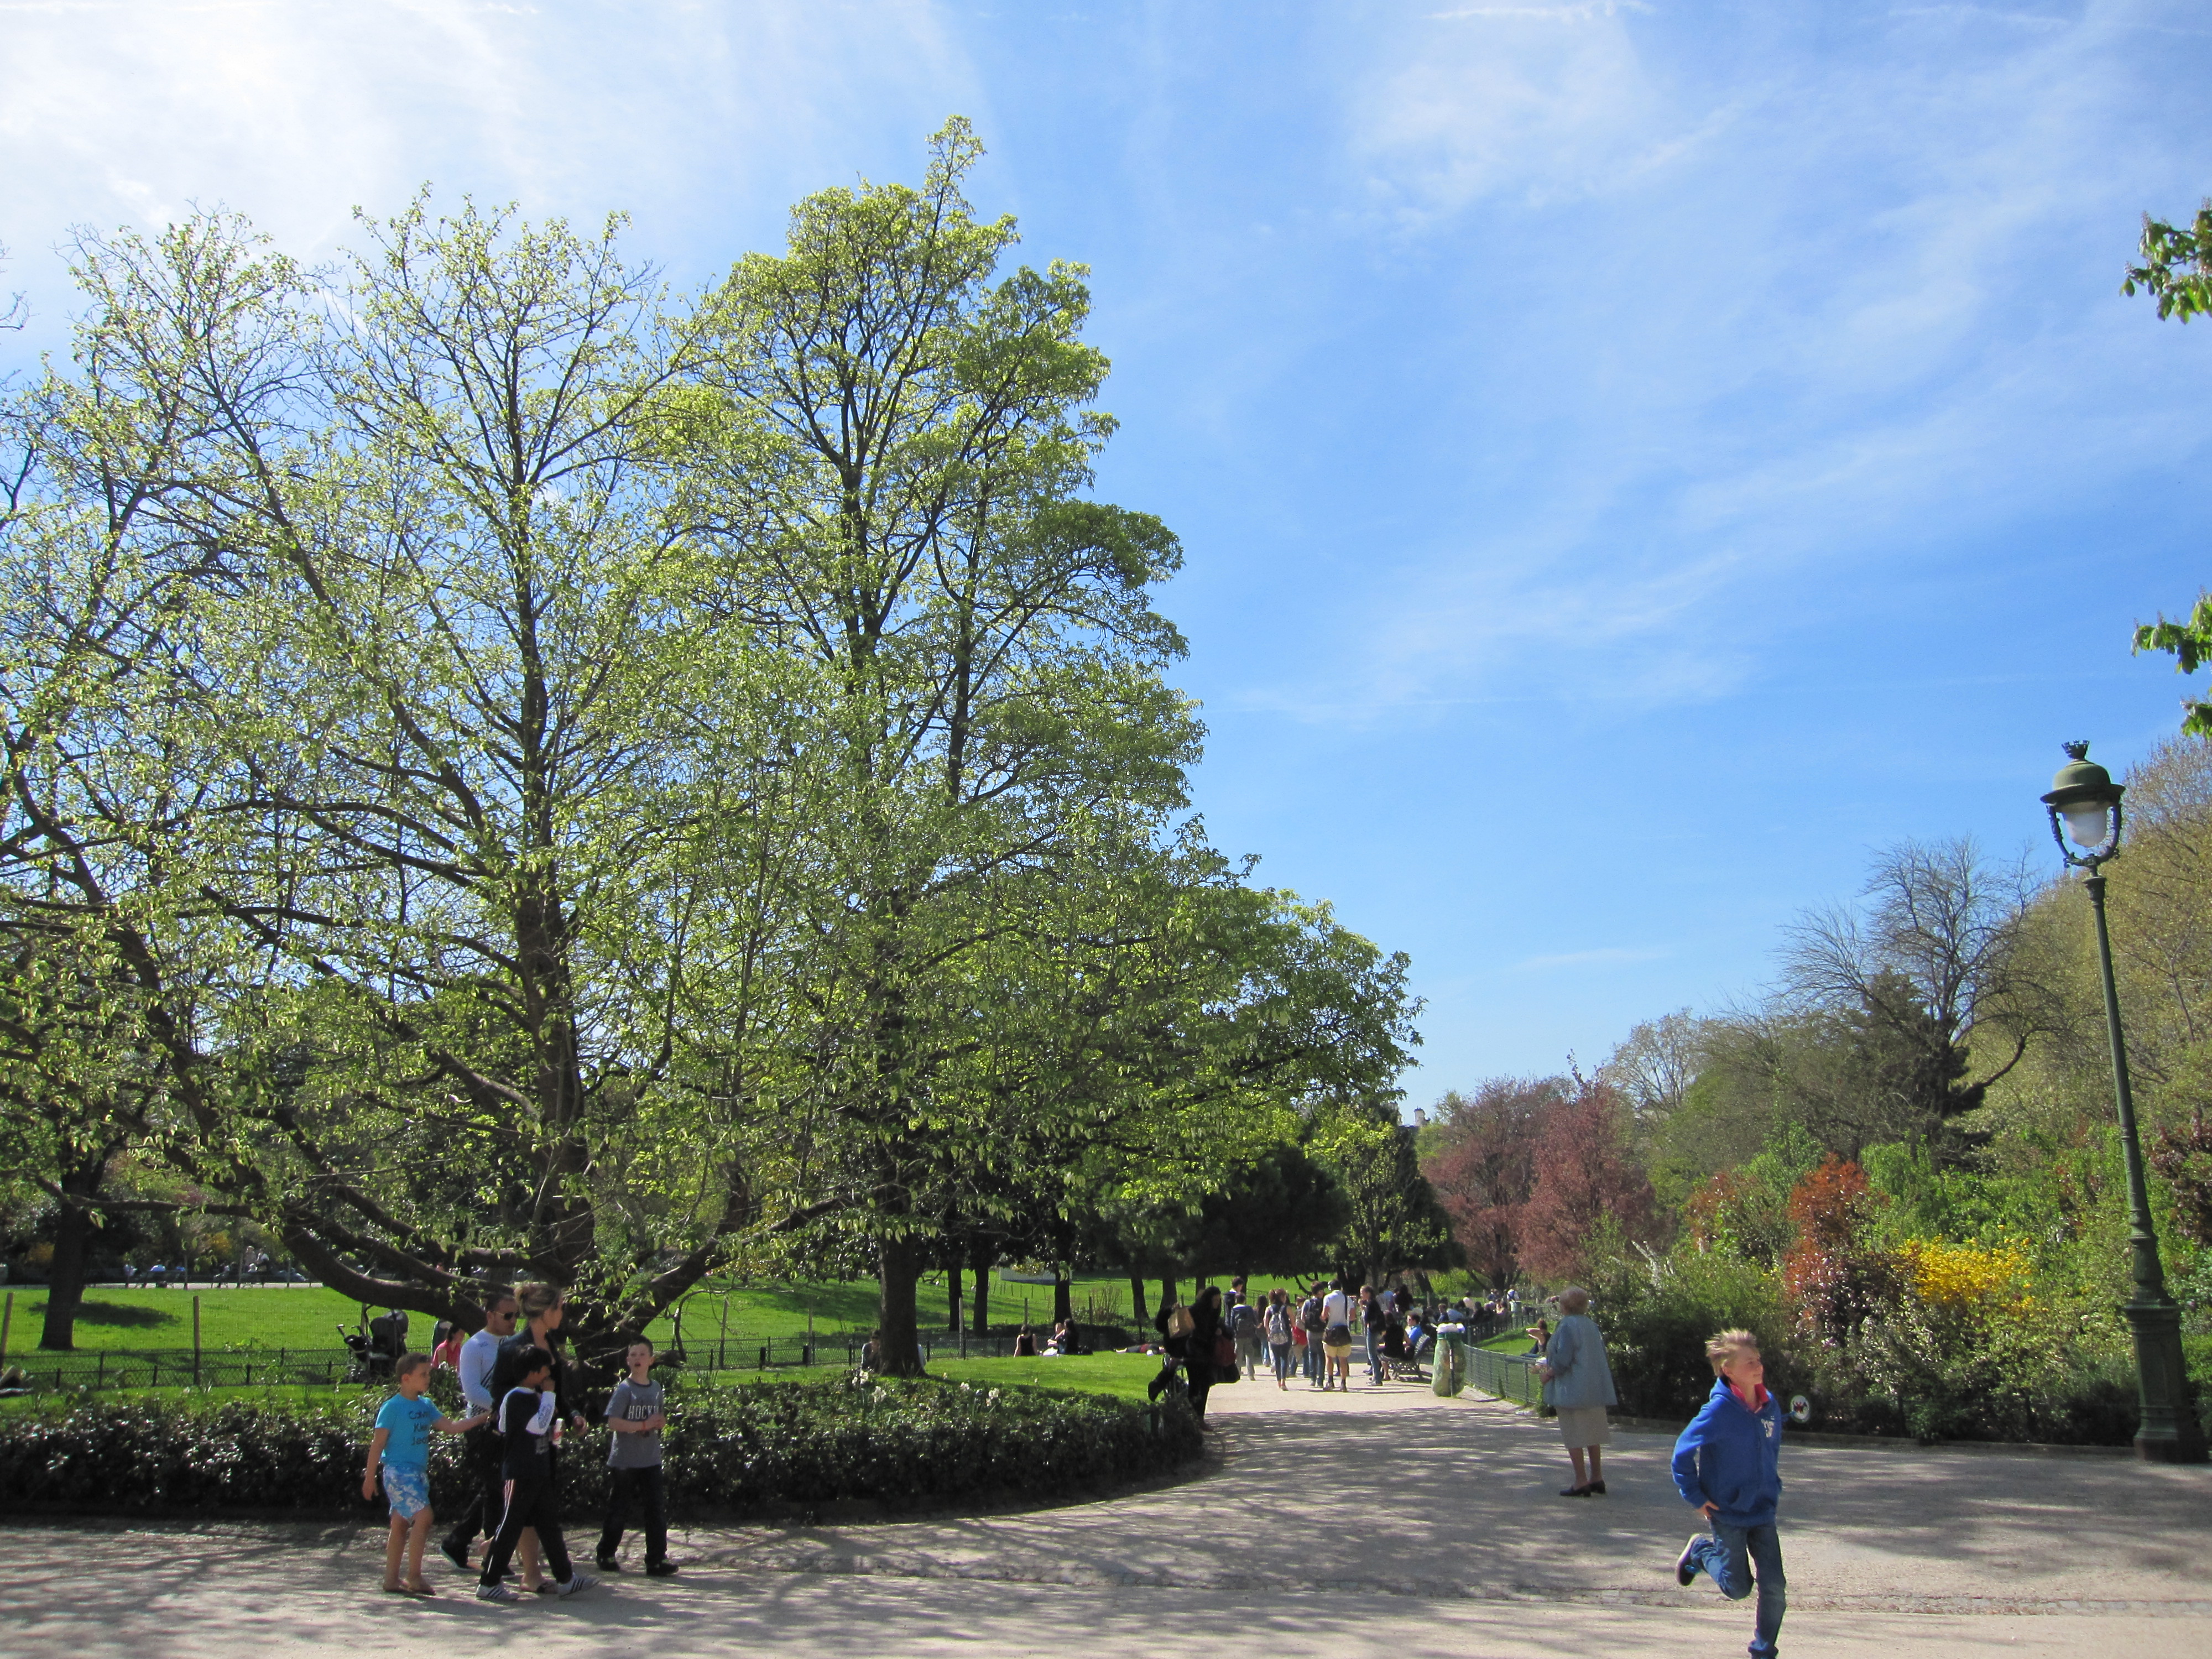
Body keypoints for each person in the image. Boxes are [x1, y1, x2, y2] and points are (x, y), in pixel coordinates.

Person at [1671, 1329, 1786, 1659]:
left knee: (1774, 1586)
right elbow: (1681, 1453)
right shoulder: (1718, 1411)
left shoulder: (1769, 1405)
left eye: (1758, 1360)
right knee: (1738, 1589)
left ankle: (1763, 1650)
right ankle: (1700, 1551)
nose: (1758, 1366)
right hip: (1728, 1512)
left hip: (1763, 1509)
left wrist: (1771, 1484)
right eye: (1749, 1362)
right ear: (1728, 1370)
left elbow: (1771, 1449)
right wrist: (1695, 1495)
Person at [488, 1281, 587, 1593]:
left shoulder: (552, 1344)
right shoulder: (514, 1347)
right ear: (546, 1311)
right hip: (523, 1443)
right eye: (560, 1307)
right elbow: (502, 1395)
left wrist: (571, 1415)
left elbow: (556, 1391)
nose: (562, 1314)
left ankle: (558, 1577)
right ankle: (521, 1573)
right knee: (523, 1512)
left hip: (546, 1438)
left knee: (542, 1511)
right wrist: (533, 1412)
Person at [477, 1348, 598, 1603]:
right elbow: (536, 1426)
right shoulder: (517, 1397)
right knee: (510, 1526)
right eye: (544, 1370)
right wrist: (550, 1396)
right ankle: (489, 1582)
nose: (548, 1375)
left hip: (539, 1470)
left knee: (549, 1526)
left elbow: (532, 1427)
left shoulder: (534, 1397)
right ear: (532, 1373)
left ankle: (566, 1578)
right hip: (520, 1472)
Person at [362, 1352, 486, 1595]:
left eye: (429, 1373)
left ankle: (391, 1579)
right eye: (423, 1374)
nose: (428, 1378)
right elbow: (378, 1444)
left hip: (417, 1472)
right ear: (406, 1378)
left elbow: (451, 1427)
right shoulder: (392, 1408)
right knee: (425, 1516)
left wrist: (482, 1418)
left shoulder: (426, 1405)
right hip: (398, 1472)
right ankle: (414, 1576)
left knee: (400, 1524)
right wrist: (369, 1478)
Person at [441, 1286, 520, 1575]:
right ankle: (492, 1555)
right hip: (482, 1427)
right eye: (507, 1315)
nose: (513, 1321)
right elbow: (473, 1391)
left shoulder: (515, 1344)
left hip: (508, 1425)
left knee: (495, 1489)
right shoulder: (475, 1346)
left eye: (516, 1315)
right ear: (490, 1315)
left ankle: (459, 1542)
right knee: (495, 1489)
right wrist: (505, 1407)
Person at [597, 1337, 675, 1577]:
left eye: (642, 1355)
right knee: (619, 1508)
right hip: (625, 1461)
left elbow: (659, 1417)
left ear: (651, 1360)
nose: (637, 1359)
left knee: (656, 1510)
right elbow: (613, 1422)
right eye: (633, 1355)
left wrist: (659, 1422)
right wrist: (642, 1424)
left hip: (651, 1458)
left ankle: (656, 1559)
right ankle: (606, 1553)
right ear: (627, 1360)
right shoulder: (624, 1390)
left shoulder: (656, 1388)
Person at [1537, 1286, 1618, 1497]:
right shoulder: (1591, 1325)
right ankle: (1597, 1476)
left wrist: (1548, 1374)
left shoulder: (1566, 1326)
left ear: (1564, 1306)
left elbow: (1564, 1358)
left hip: (1572, 1389)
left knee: (1574, 1435)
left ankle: (1581, 1480)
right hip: (1594, 1387)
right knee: (1593, 1434)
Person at [1185, 1285, 1225, 1426]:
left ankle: (1200, 1417)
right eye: (1215, 1300)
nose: (1217, 1303)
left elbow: (1214, 1327)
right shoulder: (1196, 1310)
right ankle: (1193, 1418)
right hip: (1194, 1352)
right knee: (1195, 1385)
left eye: (1219, 1300)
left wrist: (1218, 1330)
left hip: (1206, 1352)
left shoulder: (1213, 1313)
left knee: (1205, 1385)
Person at [1320, 1279, 1355, 1392]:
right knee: (1343, 1359)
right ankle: (1343, 1383)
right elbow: (1353, 1316)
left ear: (1330, 1288)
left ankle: (1330, 1381)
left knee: (1329, 1357)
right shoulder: (1347, 1298)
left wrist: (1322, 1318)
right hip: (1344, 1331)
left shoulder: (1328, 1298)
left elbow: (1325, 1314)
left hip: (1331, 1331)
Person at [1229, 1290, 1264, 1381]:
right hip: (1249, 1334)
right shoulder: (1249, 1309)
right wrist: (1257, 1326)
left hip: (1238, 1335)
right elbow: (1254, 1320)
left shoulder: (1234, 1309)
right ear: (1244, 1300)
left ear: (1236, 1300)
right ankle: (1251, 1374)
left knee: (1238, 1354)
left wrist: (1234, 1333)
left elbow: (1232, 1323)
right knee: (1249, 1354)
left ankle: (1237, 1372)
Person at [1264, 1289, 1295, 1390]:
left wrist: (1269, 1334)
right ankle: (1283, 1382)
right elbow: (1293, 1323)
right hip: (1286, 1334)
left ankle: (1278, 1381)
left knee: (1277, 1358)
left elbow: (1266, 1324)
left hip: (1273, 1335)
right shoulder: (1287, 1308)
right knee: (1285, 1357)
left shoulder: (1269, 1309)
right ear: (1281, 1297)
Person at [1299, 1285, 1327, 1387]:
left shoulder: (1308, 1302)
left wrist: (1308, 1325)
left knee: (1312, 1353)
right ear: (1319, 1292)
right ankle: (1321, 1380)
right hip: (1322, 1330)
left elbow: (1302, 1317)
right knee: (1321, 1354)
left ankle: (1313, 1378)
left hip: (1310, 1331)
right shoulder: (1324, 1302)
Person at [1360, 1284, 1388, 1386]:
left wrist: (1362, 1307)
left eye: (1362, 1293)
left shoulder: (1371, 1303)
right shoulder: (1374, 1303)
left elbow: (1367, 1318)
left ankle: (1377, 1379)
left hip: (1373, 1330)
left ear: (1368, 1293)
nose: (1361, 1295)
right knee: (1375, 1354)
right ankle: (1376, 1376)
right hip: (1378, 1330)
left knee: (1372, 1354)